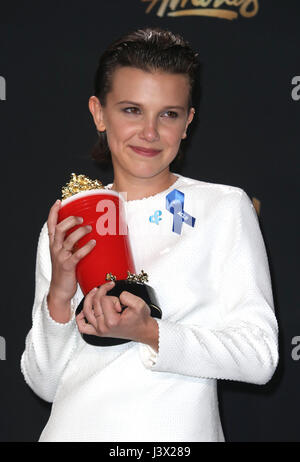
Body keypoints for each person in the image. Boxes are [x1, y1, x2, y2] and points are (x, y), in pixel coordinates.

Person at [21, 26, 279, 442]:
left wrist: (149, 333)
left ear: (187, 122)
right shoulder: (68, 224)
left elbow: (259, 357)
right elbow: (45, 383)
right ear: (99, 112)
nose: (149, 132)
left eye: (168, 114)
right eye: (131, 110)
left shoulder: (223, 208)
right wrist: (60, 295)